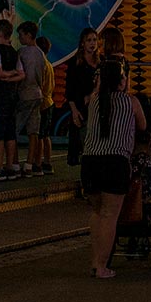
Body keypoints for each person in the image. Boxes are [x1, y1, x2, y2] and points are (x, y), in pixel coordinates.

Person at [82, 58, 146, 278]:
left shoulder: (93, 101)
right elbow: (143, 127)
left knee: (98, 212)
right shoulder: (131, 102)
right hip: (115, 162)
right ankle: (102, 265)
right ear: (122, 80)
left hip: (90, 161)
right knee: (110, 215)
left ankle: (94, 261)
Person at [0, 18, 26, 181]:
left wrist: (6, 76)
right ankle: (11, 166)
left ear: (0, 33)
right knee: (10, 132)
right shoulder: (15, 52)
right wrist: (13, 75)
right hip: (12, 96)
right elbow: (22, 74)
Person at [65, 27, 100, 198]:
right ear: (82, 43)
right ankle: (88, 185)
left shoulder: (101, 62)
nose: (92, 44)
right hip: (81, 109)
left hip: (97, 109)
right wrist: (74, 110)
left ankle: (95, 184)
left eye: (94, 40)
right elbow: (69, 89)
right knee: (87, 149)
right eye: (89, 40)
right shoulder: (76, 63)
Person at [16, 21, 50, 173]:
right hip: (38, 94)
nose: (19, 37)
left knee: (14, 130)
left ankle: (14, 162)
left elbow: (19, 73)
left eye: (21, 34)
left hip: (24, 94)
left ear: (29, 35)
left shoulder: (22, 52)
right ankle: (30, 164)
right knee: (33, 132)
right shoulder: (41, 54)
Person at [33, 33, 55, 173]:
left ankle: (37, 163)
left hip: (42, 103)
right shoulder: (49, 65)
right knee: (46, 135)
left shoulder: (42, 66)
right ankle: (47, 161)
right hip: (49, 102)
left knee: (39, 136)